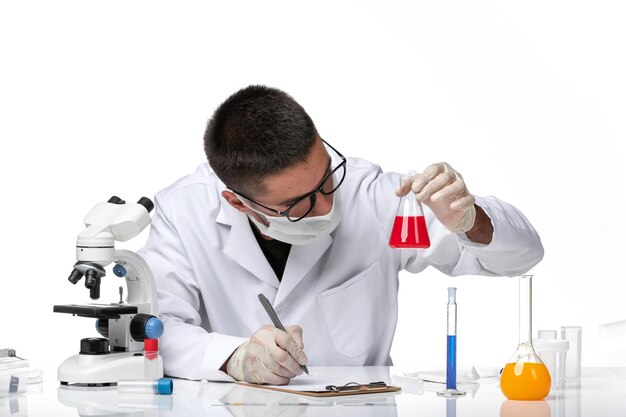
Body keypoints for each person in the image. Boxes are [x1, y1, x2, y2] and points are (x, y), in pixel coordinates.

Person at [139, 85, 543, 384]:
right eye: (300, 203)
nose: (328, 205)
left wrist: (471, 220)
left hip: (358, 407)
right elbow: (160, 329)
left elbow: (522, 257)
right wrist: (235, 357)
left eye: (328, 177)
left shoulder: (377, 196)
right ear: (238, 203)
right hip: (239, 409)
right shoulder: (183, 212)